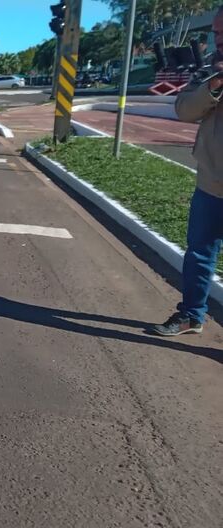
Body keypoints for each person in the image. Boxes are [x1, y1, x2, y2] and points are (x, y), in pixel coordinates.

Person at [151, 6, 223, 336]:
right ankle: (192, 315)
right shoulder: (211, 70)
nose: (218, 41)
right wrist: (215, 86)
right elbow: (183, 109)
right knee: (199, 253)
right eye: (217, 34)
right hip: (211, 182)